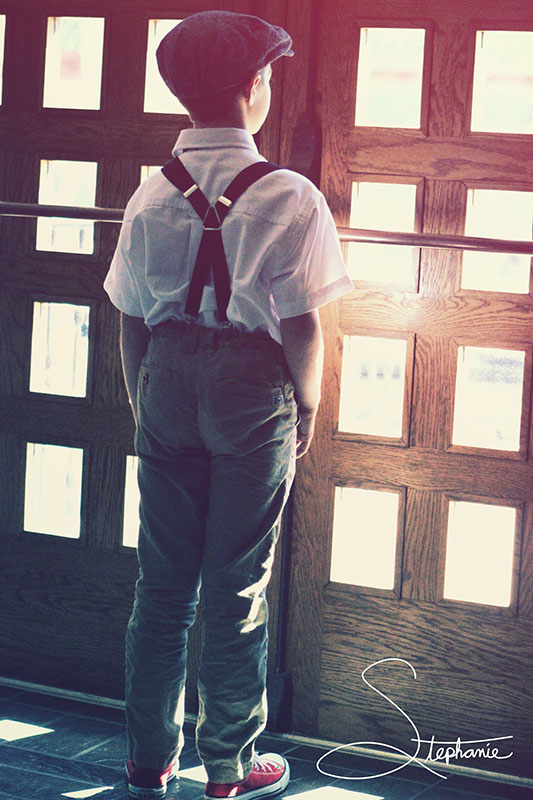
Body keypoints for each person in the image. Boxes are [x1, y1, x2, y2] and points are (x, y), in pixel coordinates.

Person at [104, 10, 353, 799]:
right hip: (251, 386)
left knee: (163, 581)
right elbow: (303, 324)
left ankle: (147, 758)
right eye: (267, 78)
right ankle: (230, 766)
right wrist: (305, 406)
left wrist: (145, 406)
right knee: (235, 584)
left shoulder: (149, 196)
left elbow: (130, 320)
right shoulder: (291, 195)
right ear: (254, 89)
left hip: (166, 377)